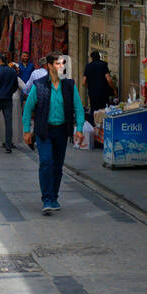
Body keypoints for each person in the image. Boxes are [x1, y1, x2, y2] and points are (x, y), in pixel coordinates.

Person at [23, 53, 84, 214]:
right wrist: (26, 130)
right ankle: (47, 198)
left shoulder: (69, 85)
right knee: (46, 162)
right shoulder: (39, 85)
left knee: (57, 166)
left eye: (63, 64)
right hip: (44, 131)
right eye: (58, 64)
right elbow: (28, 109)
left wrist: (79, 129)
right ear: (49, 66)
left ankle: (54, 197)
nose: (61, 67)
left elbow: (78, 108)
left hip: (62, 131)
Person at [82, 50, 114, 119]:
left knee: (93, 109)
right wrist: (113, 89)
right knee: (103, 110)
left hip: (92, 93)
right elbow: (109, 79)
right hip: (103, 93)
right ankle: (102, 126)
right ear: (99, 57)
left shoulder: (88, 66)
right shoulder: (103, 65)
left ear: (91, 58)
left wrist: (89, 87)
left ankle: (93, 126)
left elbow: (83, 82)